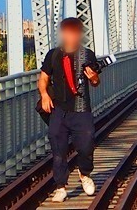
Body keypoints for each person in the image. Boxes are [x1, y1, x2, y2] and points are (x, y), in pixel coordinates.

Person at [38, 17, 101, 203]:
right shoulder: (53, 55)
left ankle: (85, 173)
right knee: (58, 147)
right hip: (59, 108)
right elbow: (43, 78)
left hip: (81, 108)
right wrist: (44, 95)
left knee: (87, 142)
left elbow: (96, 83)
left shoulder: (87, 55)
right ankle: (60, 187)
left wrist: (94, 77)